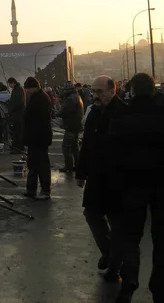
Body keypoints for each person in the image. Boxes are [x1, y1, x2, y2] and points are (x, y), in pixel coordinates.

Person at [109, 73, 164, 303]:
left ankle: (129, 282)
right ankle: (159, 288)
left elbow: (112, 154)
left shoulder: (122, 114)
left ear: (131, 90)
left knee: (131, 237)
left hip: (131, 185)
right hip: (161, 184)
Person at [76, 76, 126, 282]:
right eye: (94, 91)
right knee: (92, 214)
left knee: (117, 222)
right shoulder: (94, 113)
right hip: (96, 176)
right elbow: (87, 145)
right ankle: (109, 252)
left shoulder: (123, 113)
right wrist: (81, 172)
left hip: (117, 178)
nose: (95, 95)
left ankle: (115, 267)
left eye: (100, 92)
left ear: (112, 91)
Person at [22, 77, 53, 200]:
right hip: (35, 138)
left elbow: (39, 121)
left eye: (28, 89)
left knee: (42, 165)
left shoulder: (41, 99)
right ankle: (31, 189)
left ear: (35, 87)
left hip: (39, 138)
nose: (27, 91)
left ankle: (45, 190)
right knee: (33, 165)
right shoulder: (38, 97)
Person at [57, 81, 84, 173]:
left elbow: (64, 111)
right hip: (76, 126)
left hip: (71, 126)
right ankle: (78, 165)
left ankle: (68, 166)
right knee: (74, 147)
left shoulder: (70, 99)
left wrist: (56, 113)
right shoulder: (76, 96)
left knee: (66, 147)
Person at [7, 77, 26, 154]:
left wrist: (11, 108)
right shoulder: (17, 89)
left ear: (13, 83)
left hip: (18, 115)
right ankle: (17, 147)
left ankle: (18, 148)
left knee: (17, 132)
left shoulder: (19, 90)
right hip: (17, 114)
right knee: (16, 132)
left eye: (10, 84)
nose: (9, 86)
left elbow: (19, 102)